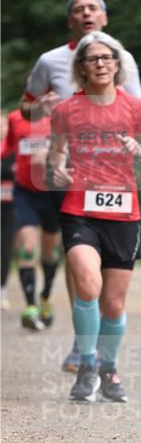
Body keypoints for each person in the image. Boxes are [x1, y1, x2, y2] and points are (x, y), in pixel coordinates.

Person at [21, 0, 141, 371]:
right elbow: (25, 107)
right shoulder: (50, 61)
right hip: (69, 173)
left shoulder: (123, 59)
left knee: (110, 264)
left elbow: (140, 113)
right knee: (80, 258)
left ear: (104, 17)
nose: (86, 13)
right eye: (78, 9)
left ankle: (103, 331)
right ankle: (81, 343)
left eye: (93, 8)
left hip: (113, 174)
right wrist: (39, 108)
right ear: (70, 20)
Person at [49, 31, 141, 402]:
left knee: (114, 304)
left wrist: (139, 150)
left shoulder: (135, 107)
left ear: (117, 65)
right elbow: (56, 154)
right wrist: (58, 169)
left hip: (122, 214)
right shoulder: (66, 110)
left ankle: (109, 369)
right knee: (88, 285)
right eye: (92, 58)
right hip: (79, 210)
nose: (100, 63)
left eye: (106, 57)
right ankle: (87, 364)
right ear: (82, 68)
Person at [2, 103, 56, 329]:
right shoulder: (15, 118)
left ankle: (45, 296)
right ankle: (31, 307)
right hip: (25, 192)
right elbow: (7, 147)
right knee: (27, 245)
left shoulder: (61, 115)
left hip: (52, 193)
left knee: (49, 253)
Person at [0, 111, 15, 310]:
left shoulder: (14, 150)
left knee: (4, 249)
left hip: (10, 206)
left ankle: (2, 291)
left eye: (2, 125)